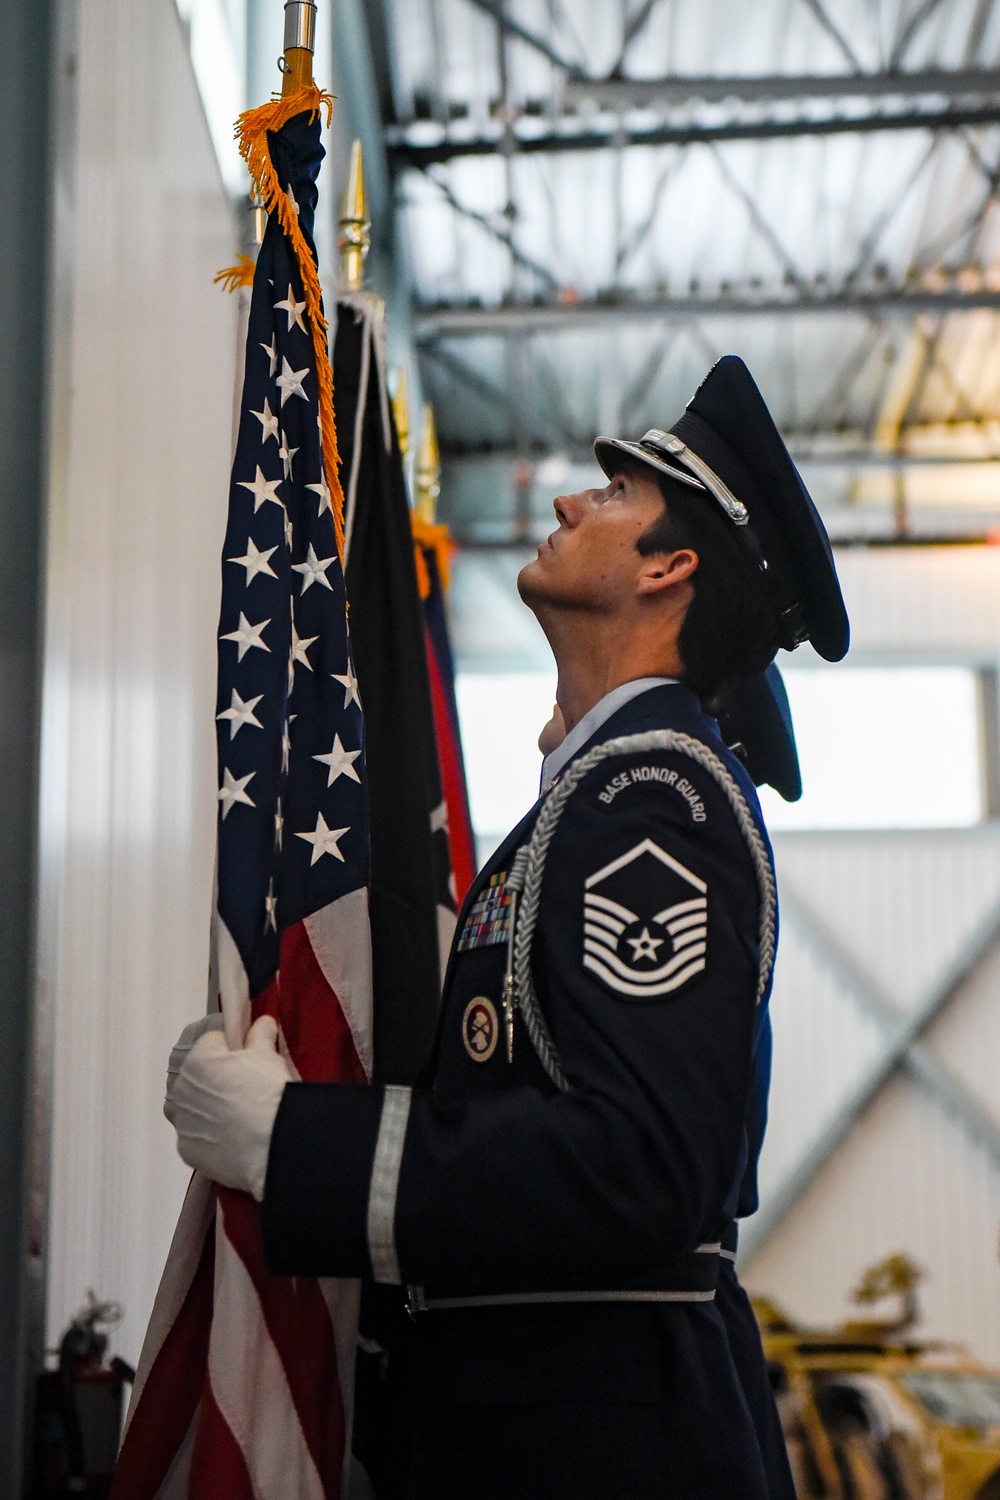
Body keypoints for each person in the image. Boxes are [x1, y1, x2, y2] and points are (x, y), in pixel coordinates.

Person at [166, 355, 849, 1499]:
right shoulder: (601, 796)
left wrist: (294, 1147)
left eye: (616, 497)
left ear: (668, 567)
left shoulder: (653, 803)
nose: (568, 502)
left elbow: (635, 1167)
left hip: (599, 1444)